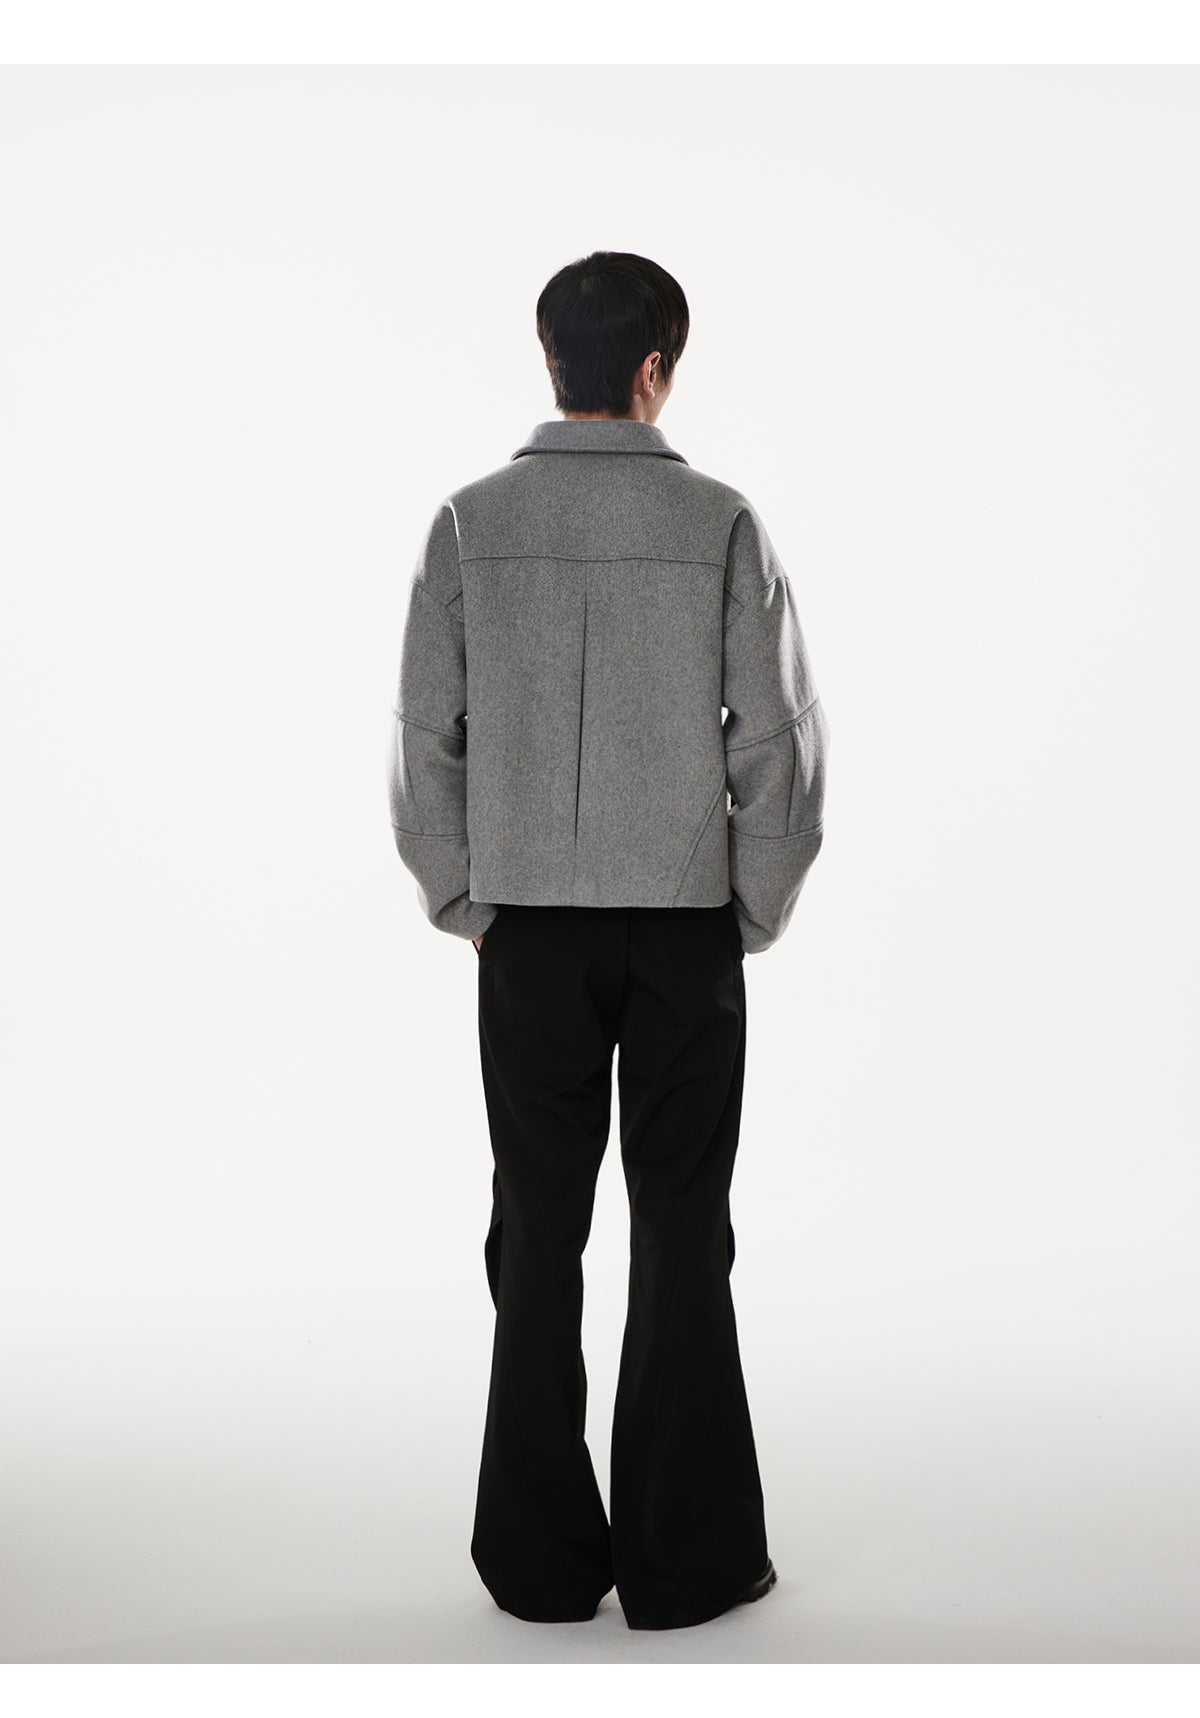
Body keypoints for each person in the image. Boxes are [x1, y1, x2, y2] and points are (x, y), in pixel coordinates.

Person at [386, 250, 829, 1630]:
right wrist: (750, 905)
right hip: (683, 924)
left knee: (535, 1231)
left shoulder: (470, 523)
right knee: (684, 1228)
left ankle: (534, 1562)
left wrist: (467, 901)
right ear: (654, 369)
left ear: (550, 360)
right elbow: (778, 742)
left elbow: (424, 740)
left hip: (527, 932)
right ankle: (688, 1562)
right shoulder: (720, 521)